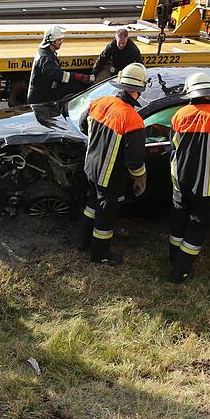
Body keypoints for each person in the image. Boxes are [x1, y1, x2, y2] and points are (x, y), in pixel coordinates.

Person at [167, 72, 210, 283]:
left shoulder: (179, 115)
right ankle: (181, 270)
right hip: (205, 184)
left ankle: (174, 258)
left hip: (179, 180)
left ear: (189, 92)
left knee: (178, 219)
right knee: (198, 225)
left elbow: (173, 146)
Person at [75, 63, 147, 266]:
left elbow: (83, 126)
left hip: (91, 168)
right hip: (110, 178)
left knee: (91, 206)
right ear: (138, 91)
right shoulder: (133, 120)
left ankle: (82, 242)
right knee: (105, 218)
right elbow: (134, 161)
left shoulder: (99, 102)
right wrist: (140, 180)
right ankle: (100, 254)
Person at [27, 25, 91, 105]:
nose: (61, 42)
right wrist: (78, 77)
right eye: (59, 40)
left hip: (42, 96)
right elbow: (57, 75)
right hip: (40, 101)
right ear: (52, 41)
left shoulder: (45, 52)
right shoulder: (46, 58)